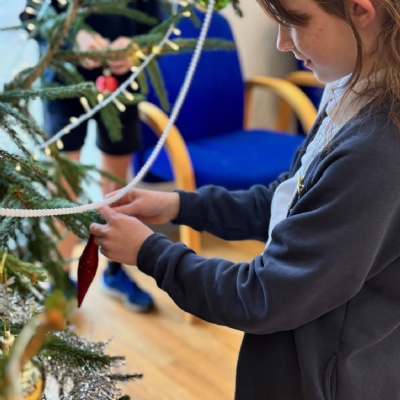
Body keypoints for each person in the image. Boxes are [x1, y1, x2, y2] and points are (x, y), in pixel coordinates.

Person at [89, 0, 400, 398]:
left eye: (294, 22)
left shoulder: (375, 149)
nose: (282, 42)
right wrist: (180, 205)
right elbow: (291, 203)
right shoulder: (351, 88)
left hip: (321, 381)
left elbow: (264, 296)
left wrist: (150, 252)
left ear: (360, 10)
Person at [21, 0, 162, 312]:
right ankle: (60, 280)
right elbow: (33, 15)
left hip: (122, 86)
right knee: (62, 187)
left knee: (116, 188)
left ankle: (115, 271)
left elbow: (158, 26)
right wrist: (74, 35)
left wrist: (135, 47)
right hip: (61, 82)